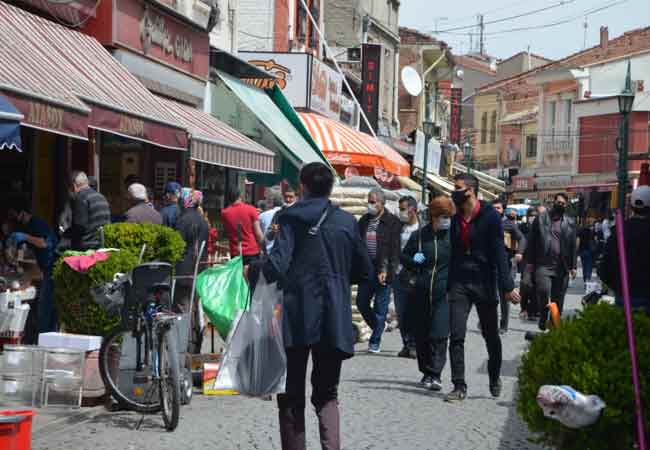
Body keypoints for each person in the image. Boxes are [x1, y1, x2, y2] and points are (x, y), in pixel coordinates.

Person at [260, 162, 371, 450]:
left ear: (303, 186)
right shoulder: (347, 222)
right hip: (334, 313)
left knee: (292, 392)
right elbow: (364, 270)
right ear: (331, 187)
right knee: (327, 393)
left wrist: (254, 270)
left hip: (296, 315)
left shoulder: (289, 217)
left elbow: (276, 266)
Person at [445, 173, 520, 402]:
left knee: (491, 335)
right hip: (459, 281)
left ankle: (494, 375)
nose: (453, 192)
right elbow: (452, 252)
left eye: (457, 188)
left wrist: (507, 286)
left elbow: (499, 251)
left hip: (484, 281)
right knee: (456, 335)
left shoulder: (489, 216)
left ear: (470, 191)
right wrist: (447, 285)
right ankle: (459, 385)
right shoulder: (456, 217)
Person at [401, 196, 453, 391]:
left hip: (444, 294)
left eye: (448, 216)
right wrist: (414, 260)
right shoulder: (420, 236)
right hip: (421, 292)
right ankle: (426, 371)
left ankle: (436, 374)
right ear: (433, 216)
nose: (445, 220)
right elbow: (404, 256)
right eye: (442, 216)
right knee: (422, 334)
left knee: (439, 334)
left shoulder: (452, 236)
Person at [357, 187, 401, 353]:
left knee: (380, 307)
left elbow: (394, 250)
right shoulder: (364, 221)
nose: (370, 205)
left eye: (373, 202)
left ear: (382, 203)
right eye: (368, 202)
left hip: (383, 268)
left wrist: (387, 270)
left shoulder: (392, 222)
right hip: (366, 269)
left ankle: (374, 341)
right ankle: (378, 327)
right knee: (361, 302)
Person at [524, 193, 577, 329]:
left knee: (558, 298)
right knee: (543, 290)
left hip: (562, 265)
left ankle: (555, 325)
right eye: (558, 202)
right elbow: (531, 242)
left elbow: (572, 245)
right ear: (553, 202)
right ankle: (543, 313)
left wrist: (573, 266)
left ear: (566, 206)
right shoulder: (541, 219)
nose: (560, 205)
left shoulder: (570, 222)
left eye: (563, 204)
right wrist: (529, 264)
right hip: (543, 264)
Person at [7, 200, 58, 333]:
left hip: (52, 267)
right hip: (43, 268)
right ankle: (47, 334)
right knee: (45, 304)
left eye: (15, 215)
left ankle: (44, 337)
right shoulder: (26, 227)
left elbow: (44, 243)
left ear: (23, 213)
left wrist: (25, 237)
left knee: (45, 306)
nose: (15, 219)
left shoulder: (37, 223)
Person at [598, 186, 650, 314]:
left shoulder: (619, 231)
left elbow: (604, 268)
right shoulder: (619, 231)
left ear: (631, 206)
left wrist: (617, 285)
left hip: (624, 297)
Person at [174, 188, 209, 353]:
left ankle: (185, 347)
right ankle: (195, 344)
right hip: (199, 269)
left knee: (184, 308)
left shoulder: (183, 220)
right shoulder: (202, 220)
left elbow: (178, 246)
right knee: (195, 308)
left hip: (184, 271)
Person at [492, 200, 526, 333]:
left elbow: (522, 239)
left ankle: (503, 325)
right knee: (491, 297)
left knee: (505, 295)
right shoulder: (486, 224)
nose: (495, 210)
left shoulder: (509, 225)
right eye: (493, 208)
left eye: (498, 208)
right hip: (491, 266)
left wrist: (519, 253)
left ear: (503, 210)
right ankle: (489, 321)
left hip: (507, 265)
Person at [393, 195, 419, 358]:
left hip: (414, 276)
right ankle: (406, 344)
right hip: (397, 275)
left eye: (403, 209)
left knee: (414, 313)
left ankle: (414, 344)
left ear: (413, 210)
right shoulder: (398, 228)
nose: (400, 212)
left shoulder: (422, 229)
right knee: (401, 313)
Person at [67, 171, 111, 251]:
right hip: (101, 244)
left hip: (87, 247)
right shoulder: (101, 197)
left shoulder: (80, 198)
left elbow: (80, 227)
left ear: (74, 185)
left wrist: (65, 234)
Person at [221, 189, 264, 265]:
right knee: (251, 276)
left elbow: (227, 232)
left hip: (236, 251)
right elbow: (258, 233)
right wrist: (263, 247)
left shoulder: (225, 213)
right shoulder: (251, 209)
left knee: (237, 276)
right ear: (240, 196)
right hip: (252, 251)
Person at [519, 207, 540, 320]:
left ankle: (533, 310)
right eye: (531, 215)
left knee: (536, 286)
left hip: (538, 261)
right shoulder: (522, 228)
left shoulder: (542, 228)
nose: (533, 217)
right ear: (527, 217)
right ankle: (524, 308)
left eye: (535, 216)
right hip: (526, 261)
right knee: (525, 284)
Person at [577, 222, 595, 287]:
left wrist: (577, 250)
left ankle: (585, 280)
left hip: (582, 251)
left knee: (584, 266)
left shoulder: (580, 231)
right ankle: (588, 278)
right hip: (590, 251)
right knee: (589, 266)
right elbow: (594, 240)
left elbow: (578, 241)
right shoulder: (591, 231)